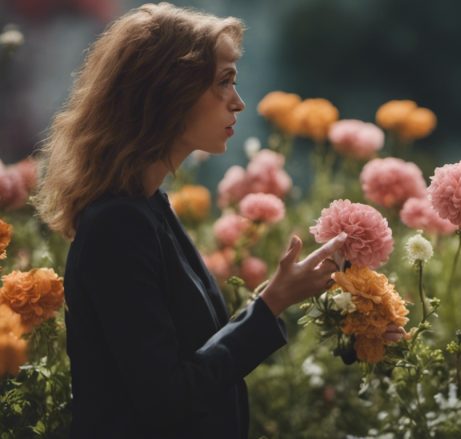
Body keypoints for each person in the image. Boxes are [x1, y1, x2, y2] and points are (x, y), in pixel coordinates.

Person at [31, 3, 389, 438]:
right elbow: (167, 397)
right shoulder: (118, 226)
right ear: (168, 92)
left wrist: (279, 293)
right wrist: (270, 305)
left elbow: (194, 352)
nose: (238, 103)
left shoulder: (149, 206)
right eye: (224, 83)